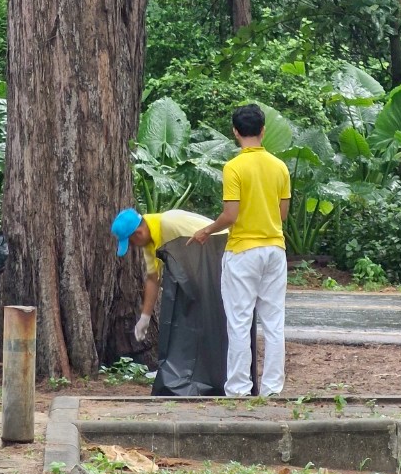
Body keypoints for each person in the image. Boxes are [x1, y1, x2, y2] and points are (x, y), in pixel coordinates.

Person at [191, 104, 290, 397]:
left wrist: (206, 230)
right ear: (263, 130)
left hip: (243, 251)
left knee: (239, 322)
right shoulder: (280, 167)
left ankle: (238, 389)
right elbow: (282, 214)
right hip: (274, 250)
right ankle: (272, 389)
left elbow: (230, 215)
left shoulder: (234, 167)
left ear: (235, 132)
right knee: (274, 323)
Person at [111, 206, 214, 341]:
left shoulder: (169, 224)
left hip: (219, 253)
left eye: (131, 242)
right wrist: (145, 318)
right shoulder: (150, 242)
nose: (132, 246)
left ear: (139, 233)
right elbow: (153, 279)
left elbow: (200, 253)